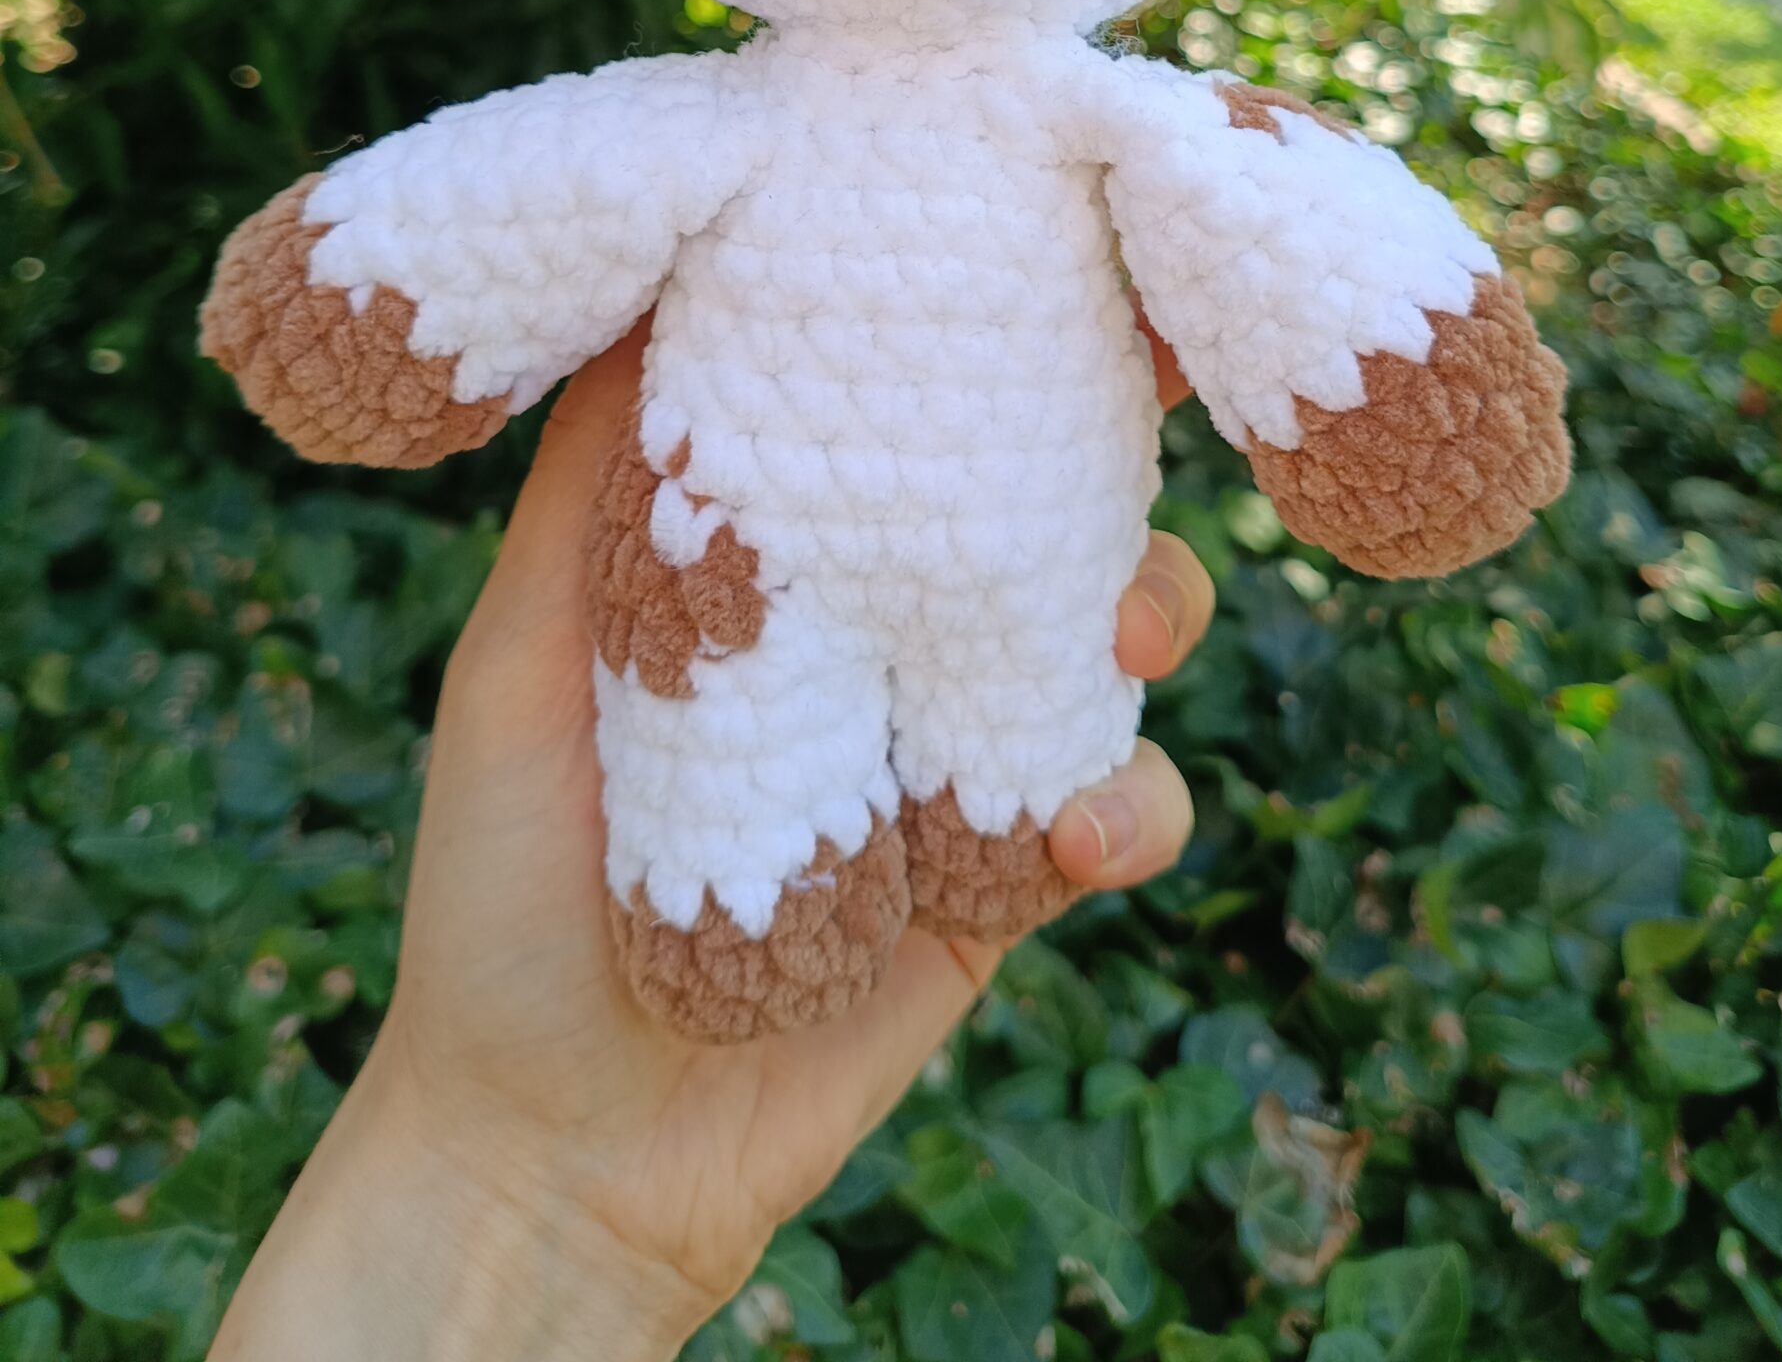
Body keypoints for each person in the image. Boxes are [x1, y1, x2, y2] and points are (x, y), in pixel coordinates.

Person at [210, 321, 1216, 1361]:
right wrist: (509, 1158)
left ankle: (929, 840)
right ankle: (759, 906)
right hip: (740, 539)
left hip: (922, 513)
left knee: (1008, 693)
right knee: (746, 665)